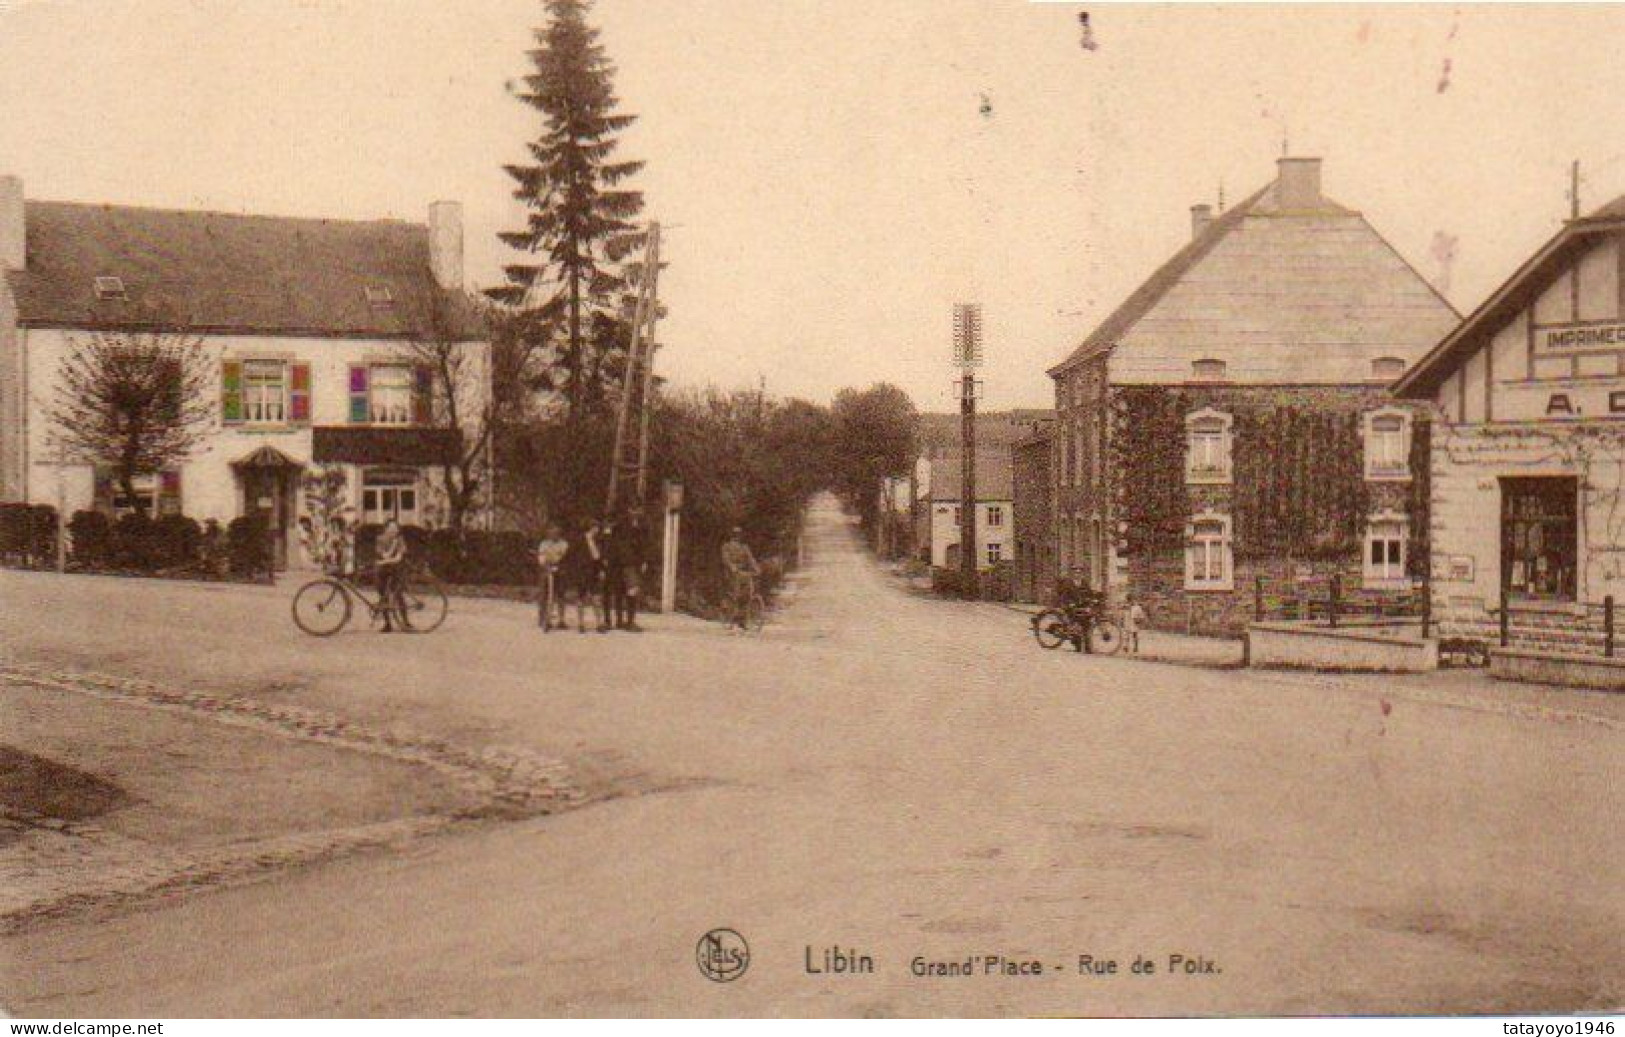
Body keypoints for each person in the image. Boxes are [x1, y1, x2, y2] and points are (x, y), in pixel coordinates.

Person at [557, 519, 602, 635]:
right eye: (596, 527)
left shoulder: (598, 540)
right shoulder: (579, 540)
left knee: (596, 598)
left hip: (594, 572)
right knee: (581, 598)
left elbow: (599, 557)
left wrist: (601, 570)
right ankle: (581, 624)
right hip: (582, 573)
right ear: (591, 528)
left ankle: (599, 624)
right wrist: (563, 566)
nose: (598, 529)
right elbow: (569, 555)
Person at [720, 526, 760, 631]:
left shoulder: (744, 547)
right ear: (731, 536)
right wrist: (731, 566)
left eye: (738, 535)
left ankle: (744, 621)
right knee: (736, 595)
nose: (736, 537)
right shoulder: (726, 546)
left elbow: (751, 559)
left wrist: (756, 569)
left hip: (743, 573)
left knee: (748, 595)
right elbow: (725, 559)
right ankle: (732, 619)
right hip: (731, 573)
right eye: (734, 535)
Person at [374, 519, 407, 633]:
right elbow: (384, 555)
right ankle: (387, 624)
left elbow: (398, 558)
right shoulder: (380, 539)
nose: (394, 530)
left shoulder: (400, 540)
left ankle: (406, 622)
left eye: (396, 528)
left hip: (395, 570)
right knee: (383, 597)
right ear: (386, 529)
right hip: (382, 571)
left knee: (398, 595)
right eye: (391, 528)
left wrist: (394, 545)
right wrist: (385, 560)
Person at [535, 522, 569, 631]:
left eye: (557, 533)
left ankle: (561, 619)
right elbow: (541, 557)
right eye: (552, 532)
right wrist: (545, 563)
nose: (554, 535)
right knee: (544, 595)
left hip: (559, 570)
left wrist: (557, 561)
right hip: (546, 570)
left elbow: (564, 556)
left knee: (561, 595)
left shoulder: (564, 544)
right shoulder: (544, 544)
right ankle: (544, 618)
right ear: (548, 533)